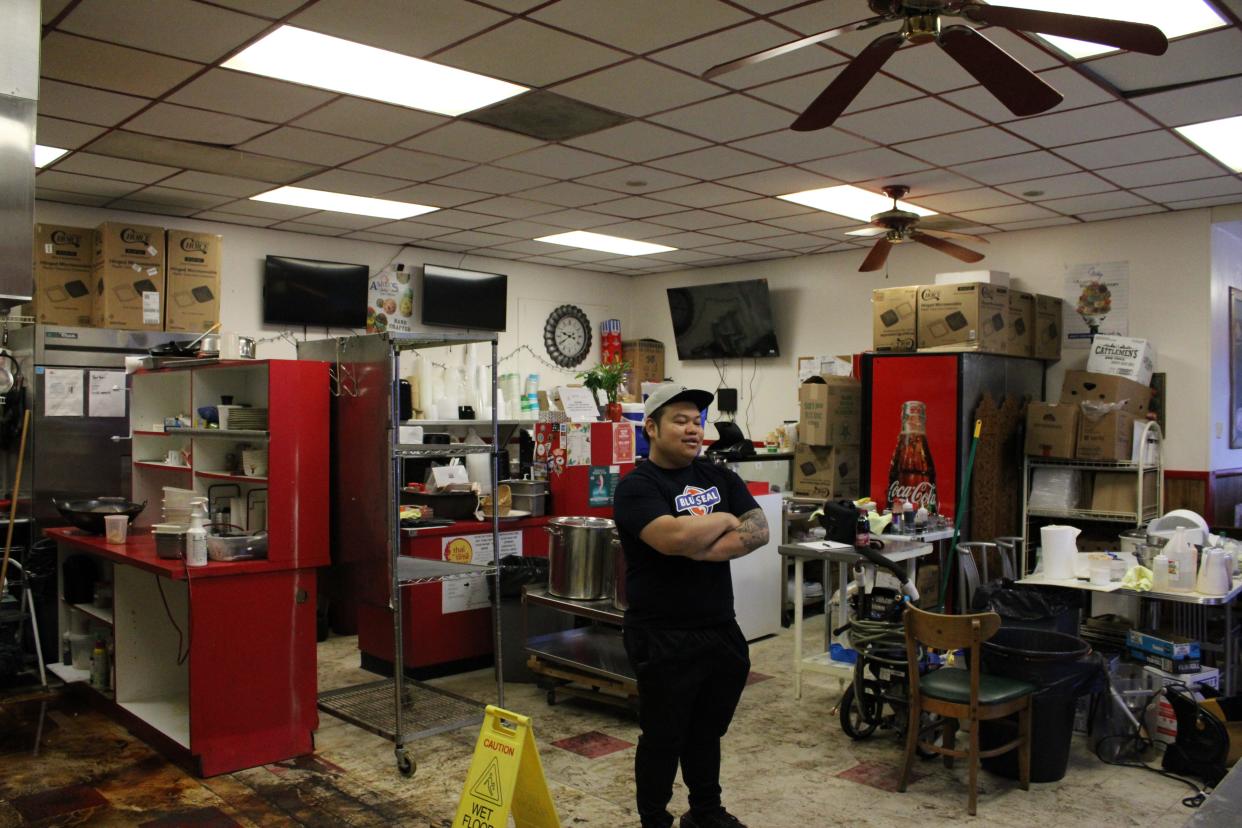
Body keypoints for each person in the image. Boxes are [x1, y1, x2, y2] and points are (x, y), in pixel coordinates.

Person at [612, 383, 770, 828]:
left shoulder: (719, 475)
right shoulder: (636, 487)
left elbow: (758, 529)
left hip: (719, 626)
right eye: (680, 420)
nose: (692, 429)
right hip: (661, 632)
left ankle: (704, 811)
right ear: (652, 428)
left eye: (697, 421)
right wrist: (720, 519)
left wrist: (700, 548)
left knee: (707, 731)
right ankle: (654, 818)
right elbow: (671, 538)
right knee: (663, 735)